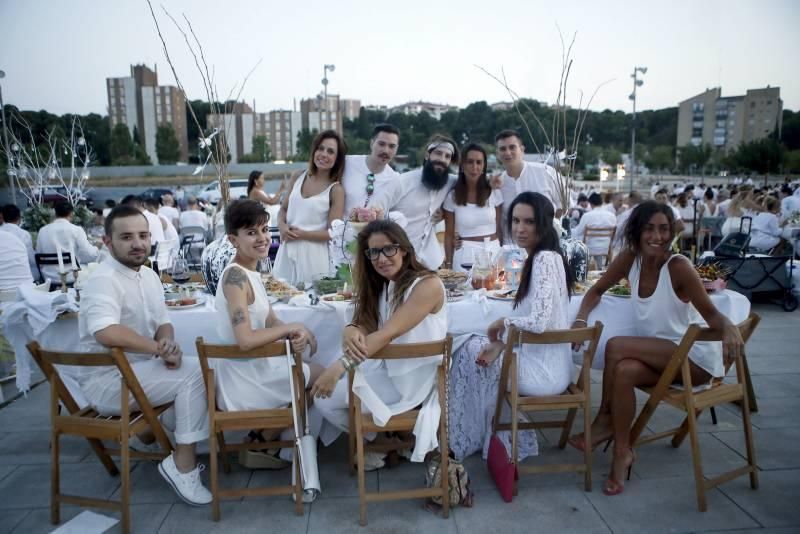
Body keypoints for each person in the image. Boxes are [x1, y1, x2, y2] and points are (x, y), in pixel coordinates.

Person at [568, 201, 744, 496]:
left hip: (693, 360)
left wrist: (729, 326)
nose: (657, 236)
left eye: (664, 229)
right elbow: (595, 290)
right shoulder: (630, 258)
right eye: (649, 229)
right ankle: (622, 453)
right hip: (662, 357)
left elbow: (712, 315)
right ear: (637, 232)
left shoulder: (679, 267)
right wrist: (580, 319)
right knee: (623, 370)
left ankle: (604, 421)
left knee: (615, 346)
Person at [77, 205, 212, 505]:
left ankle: (157, 436)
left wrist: (167, 347)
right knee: (195, 373)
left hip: (138, 374)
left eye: (143, 235)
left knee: (194, 366)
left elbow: (162, 322)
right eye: (126, 237)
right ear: (107, 242)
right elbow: (105, 331)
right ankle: (183, 465)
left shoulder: (149, 275)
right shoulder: (104, 279)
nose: (137, 243)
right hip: (108, 383)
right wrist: (156, 349)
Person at [447, 192, 574, 462]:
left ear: (544, 224)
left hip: (545, 373)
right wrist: (502, 341)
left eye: (529, 222)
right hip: (548, 363)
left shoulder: (543, 260)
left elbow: (539, 321)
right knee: (475, 344)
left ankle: (471, 436)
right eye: (516, 220)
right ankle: (484, 432)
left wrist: (502, 324)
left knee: (467, 347)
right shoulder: (544, 257)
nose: (520, 228)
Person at [312, 220, 447, 470]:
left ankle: (389, 440)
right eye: (373, 252)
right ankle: (386, 440)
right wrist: (351, 329)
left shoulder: (427, 284)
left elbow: (386, 333)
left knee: (326, 397)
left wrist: (338, 368)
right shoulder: (385, 284)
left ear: (404, 249)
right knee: (325, 400)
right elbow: (365, 321)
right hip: (389, 374)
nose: (381, 258)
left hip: (414, 382)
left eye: (388, 249)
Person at [213, 200, 321, 468]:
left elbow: (271, 320)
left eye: (264, 230)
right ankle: (264, 440)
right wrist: (295, 328)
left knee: (317, 372)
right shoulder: (234, 278)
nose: (262, 238)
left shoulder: (251, 272)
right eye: (251, 233)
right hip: (244, 381)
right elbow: (246, 340)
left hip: (255, 370)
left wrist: (293, 331)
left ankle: (261, 441)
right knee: (322, 379)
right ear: (233, 240)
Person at [368, 134, 460, 270]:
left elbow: (473, 182)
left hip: (431, 263)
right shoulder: (402, 182)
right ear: (427, 155)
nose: (442, 160)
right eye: (438, 153)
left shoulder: (450, 182)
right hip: (399, 262)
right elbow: (373, 213)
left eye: (447, 157)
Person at [273, 130, 346, 285]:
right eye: (320, 148)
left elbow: (333, 233)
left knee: (309, 302)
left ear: (337, 159)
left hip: (314, 257)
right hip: (286, 251)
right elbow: (283, 209)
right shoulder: (297, 176)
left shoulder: (336, 190)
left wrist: (302, 234)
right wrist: (281, 226)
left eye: (331, 151)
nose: (324, 154)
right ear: (314, 150)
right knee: (279, 300)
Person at [494, 129, 562, 243]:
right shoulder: (497, 184)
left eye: (512, 147)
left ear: (522, 150)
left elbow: (564, 206)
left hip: (544, 244)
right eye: (502, 149)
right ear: (498, 154)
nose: (507, 152)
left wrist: (550, 225)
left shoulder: (546, 172)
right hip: (512, 248)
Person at [443, 144, 503, 272]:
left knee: (496, 291)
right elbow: (448, 235)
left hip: (493, 250)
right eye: (470, 162)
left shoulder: (494, 192)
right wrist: (448, 265)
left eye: (479, 162)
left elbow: (499, 228)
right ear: (462, 165)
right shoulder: (452, 196)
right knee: (463, 291)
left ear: (483, 166)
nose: (474, 167)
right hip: (465, 254)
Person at [341, 124, 400, 214]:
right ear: (372, 143)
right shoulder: (347, 162)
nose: (386, 151)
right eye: (381, 144)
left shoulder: (396, 180)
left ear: (397, 149)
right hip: (340, 226)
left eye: (392, 146)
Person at [36, 201, 99, 283]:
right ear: (71, 213)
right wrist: (97, 248)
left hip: (48, 277)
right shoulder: (76, 230)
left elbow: (38, 254)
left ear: (55, 213)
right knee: (93, 268)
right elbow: (90, 254)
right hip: (72, 276)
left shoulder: (43, 230)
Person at [572, 192, 617, 265]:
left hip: (589, 247)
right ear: (601, 202)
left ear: (590, 203)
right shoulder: (612, 216)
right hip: (606, 247)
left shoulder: (587, 216)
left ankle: (582, 266)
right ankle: (599, 267)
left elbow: (578, 231)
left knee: (575, 236)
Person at [0, 204, 37, 278]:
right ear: (19, 218)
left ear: (2, 218)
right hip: (20, 275)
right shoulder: (24, 234)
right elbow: (31, 260)